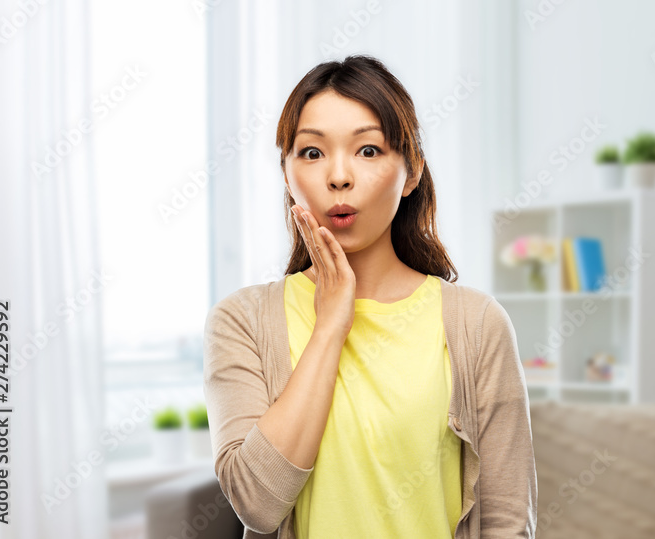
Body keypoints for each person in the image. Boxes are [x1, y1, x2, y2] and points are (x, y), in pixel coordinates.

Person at [202, 54, 537, 539]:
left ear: (412, 171)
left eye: (368, 151)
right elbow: (257, 503)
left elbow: (506, 521)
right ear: (287, 173)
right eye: (312, 153)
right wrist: (332, 322)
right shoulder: (242, 320)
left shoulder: (476, 323)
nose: (339, 176)